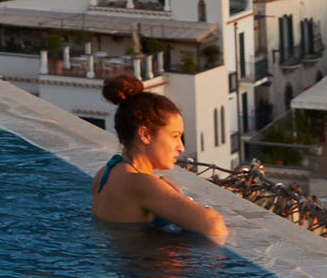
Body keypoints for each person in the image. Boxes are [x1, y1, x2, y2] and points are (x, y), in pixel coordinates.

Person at [88, 72, 229, 240]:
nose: (181, 147)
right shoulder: (142, 184)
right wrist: (179, 197)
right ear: (145, 135)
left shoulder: (105, 173)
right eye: (175, 136)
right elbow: (214, 226)